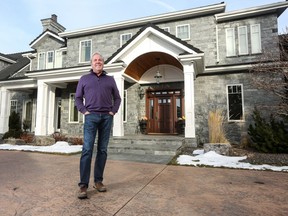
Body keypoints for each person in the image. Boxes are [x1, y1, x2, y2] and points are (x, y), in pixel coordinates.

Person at [75, 52, 121, 199]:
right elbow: (77, 98)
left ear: (103, 62)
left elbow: (118, 98)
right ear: (91, 63)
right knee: (87, 149)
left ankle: (98, 181)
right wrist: (84, 111)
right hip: (91, 117)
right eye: (95, 60)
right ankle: (83, 185)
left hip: (107, 118)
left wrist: (113, 112)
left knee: (102, 150)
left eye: (100, 60)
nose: (98, 62)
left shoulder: (110, 80)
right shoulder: (84, 78)